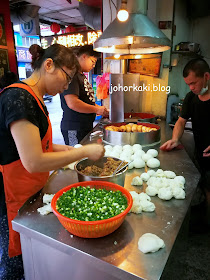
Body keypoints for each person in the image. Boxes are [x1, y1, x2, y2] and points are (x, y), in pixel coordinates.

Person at [0, 43, 105, 280]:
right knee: (18, 262)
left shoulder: (34, 98)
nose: (65, 87)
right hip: (12, 195)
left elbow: (41, 144)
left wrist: (69, 148)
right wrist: (82, 152)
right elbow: (34, 161)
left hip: (29, 188)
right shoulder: (19, 98)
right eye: (67, 79)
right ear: (48, 65)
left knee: (31, 259)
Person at [161, 58, 210, 229]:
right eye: (188, 84)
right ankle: (205, 219)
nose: (191, 87)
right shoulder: (191, 97)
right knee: (204, 185)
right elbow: (181, 121)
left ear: (206, 76)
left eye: (193, 83)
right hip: (201, 150)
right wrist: (175, 139)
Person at [60, 45, 109, 146]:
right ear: (84, 56)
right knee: (75, 156)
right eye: (93, 61)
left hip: (84, 125)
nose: (94, 65)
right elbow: (73, 103)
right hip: (74, 127)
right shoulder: (72, 75)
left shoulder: (81, 75)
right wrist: (96, 110)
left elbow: (86, 101)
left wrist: (100, 108)